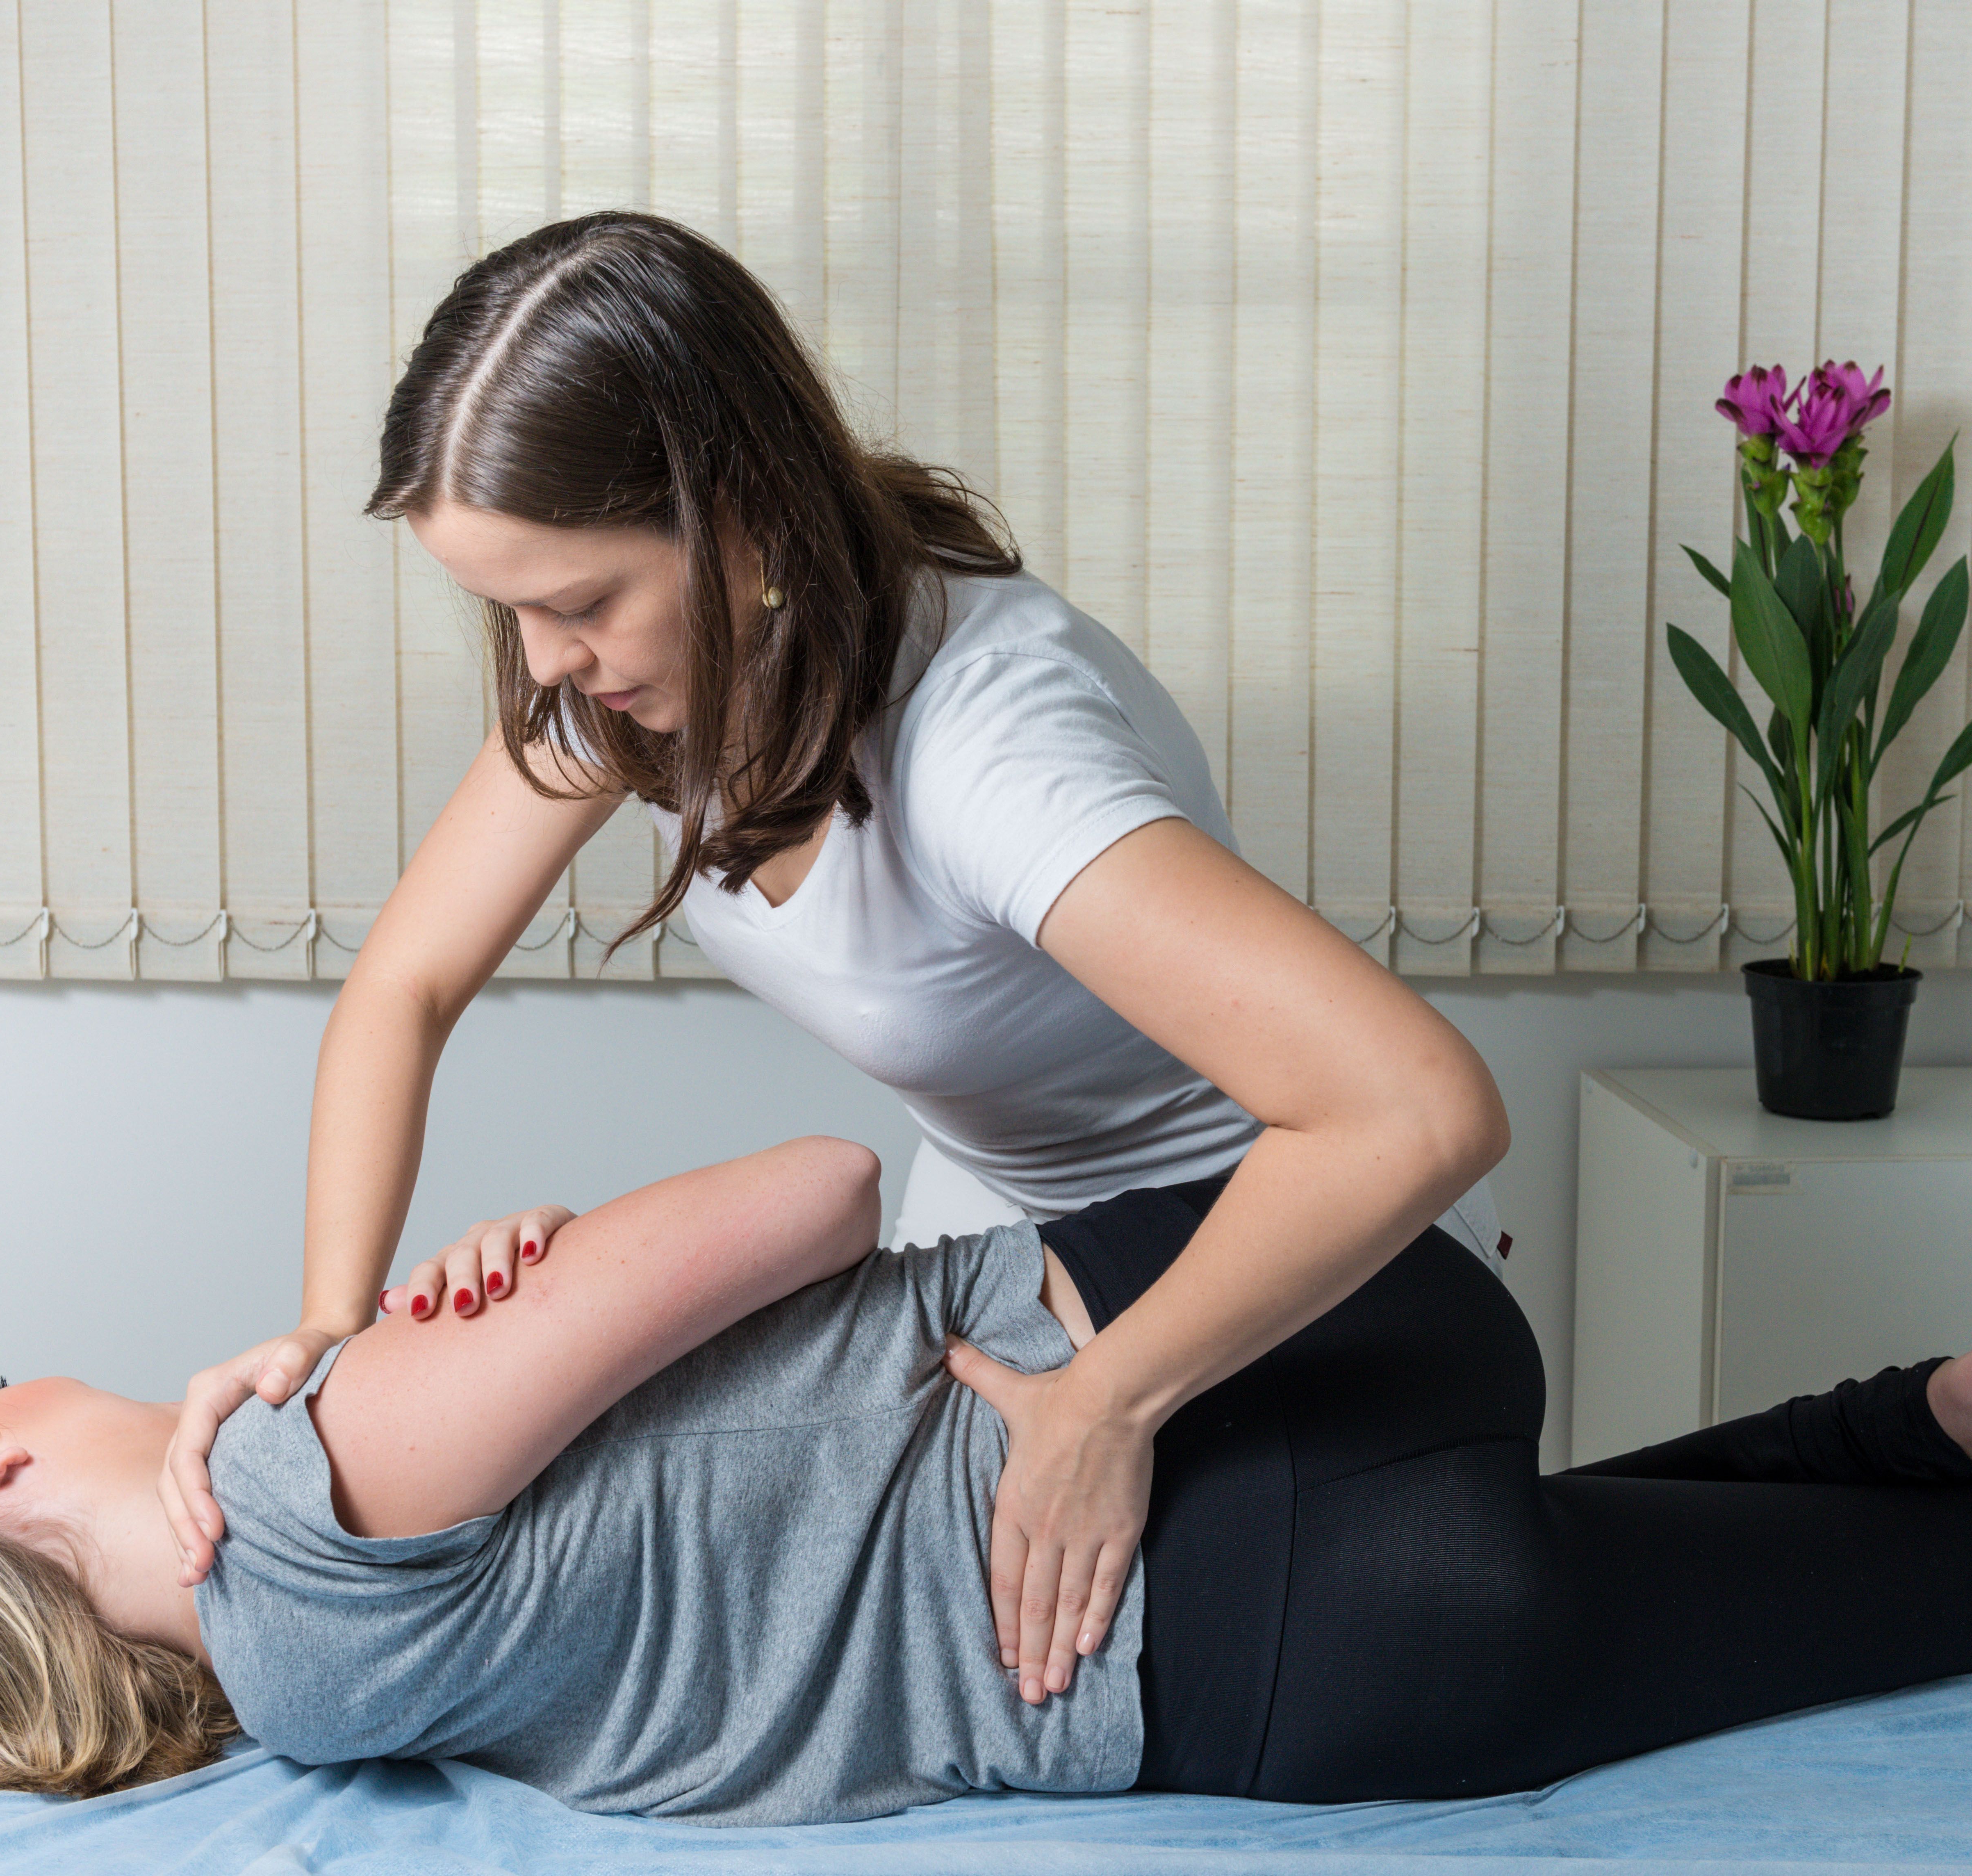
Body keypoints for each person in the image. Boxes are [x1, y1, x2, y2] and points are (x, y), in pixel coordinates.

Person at [158, 209, 1513, 1705]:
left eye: (581, 603)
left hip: (1273, 1250)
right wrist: (334, 1338)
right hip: (1008, 1233)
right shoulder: (642, 680)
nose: (543, 664)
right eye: (509, 610)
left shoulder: (989, 745)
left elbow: (1415, 1109)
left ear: (739, 509)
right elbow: (404, 990)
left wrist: (1112, 1403)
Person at [0, 1139, 1972, 1822]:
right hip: (1249, 1368)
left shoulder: (305, 1698)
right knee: (1951, 1563)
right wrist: (381, 1336)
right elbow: (811, 1196)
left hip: (1305, 1650)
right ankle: (1946, 1424)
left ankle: (1941, 1439)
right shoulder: (302, 1476)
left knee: (1889, 1594)